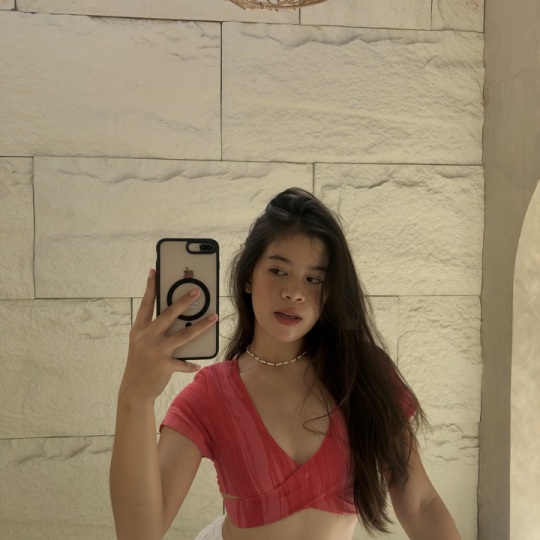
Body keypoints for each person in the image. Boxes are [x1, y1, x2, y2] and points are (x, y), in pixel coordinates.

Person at [110, 188, 462, 540]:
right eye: (278, 270)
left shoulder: (365, 375)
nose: (294, 292)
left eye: (314, 279)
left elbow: (420, 503)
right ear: (248, 278)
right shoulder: (212, 395)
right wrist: (135, 396)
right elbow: (138, 533)